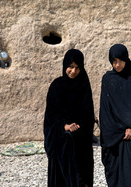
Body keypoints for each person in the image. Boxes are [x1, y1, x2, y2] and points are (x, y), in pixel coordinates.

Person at [43, 49, 95, 187]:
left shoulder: (84, 85)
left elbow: (89, 114)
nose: (73, 71)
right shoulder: (56, 87)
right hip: (62, 143)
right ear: (65, 65)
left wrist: (79, 126)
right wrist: (64, 126)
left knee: (81, 178)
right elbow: (50, 118)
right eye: (70, 67)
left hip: (81, 142)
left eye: (77, 67)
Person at [100, 44, 131, 187]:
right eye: (114, 61)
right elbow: (105, 109)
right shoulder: (108, 79)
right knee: (116, 176)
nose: (118, 64)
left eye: (121, 60)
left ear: (126, 59)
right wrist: (118, 130)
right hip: (114, 135)